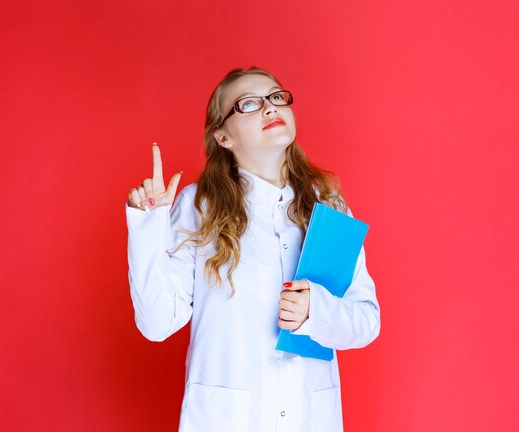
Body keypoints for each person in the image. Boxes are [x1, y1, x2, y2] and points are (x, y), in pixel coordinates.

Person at [125, 66, 380, 432]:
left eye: (277, 97)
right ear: (223, 137)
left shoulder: (329, 206)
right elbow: (157, 324)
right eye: (248, 104)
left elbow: (366, 321)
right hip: (224, 420)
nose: (270, 108)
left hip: (309, 417)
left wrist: (316, 311)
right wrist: (148, 228)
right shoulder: (200, 205)